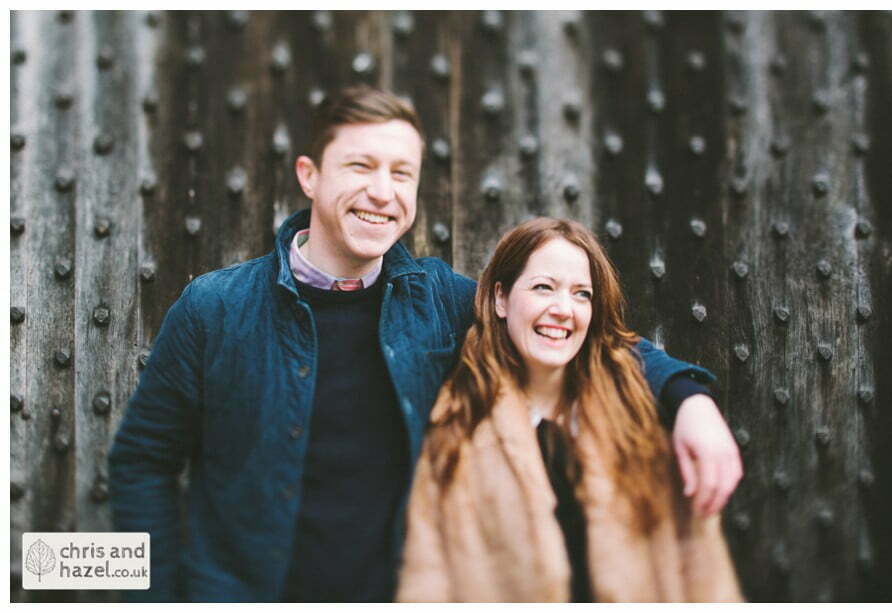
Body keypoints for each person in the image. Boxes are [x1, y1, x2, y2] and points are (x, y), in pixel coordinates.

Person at [108, 86, 740, 602]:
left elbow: (576, 337)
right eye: (360, 166)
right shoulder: (216, 308)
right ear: (309, 175)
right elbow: (143, 461)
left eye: (401, 173)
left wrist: (689, 400)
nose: (383, 191)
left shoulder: (438, 298)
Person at [396, 218, 743, 602]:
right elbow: (427, 580)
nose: (564, 309)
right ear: (500, 299)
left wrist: (693, 400)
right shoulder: (457, 424)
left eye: (582, 294)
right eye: (543, 287)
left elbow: (704, 578)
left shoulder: (643, 416)